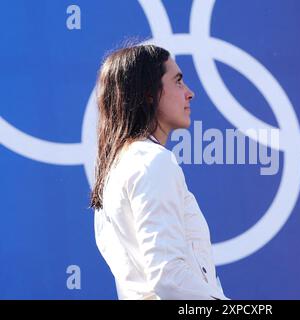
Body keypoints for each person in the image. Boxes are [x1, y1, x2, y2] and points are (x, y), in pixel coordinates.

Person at [89, 44, 229, 300]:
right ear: (149, 93)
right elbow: (169, 278)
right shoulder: (151, 161)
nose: (190, 93)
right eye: (178, 82)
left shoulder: (117, 168)